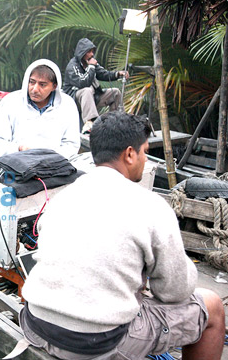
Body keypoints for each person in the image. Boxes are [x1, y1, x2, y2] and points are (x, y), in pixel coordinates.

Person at [15, 112, 225, 360]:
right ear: (129, 154)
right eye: (145, 152)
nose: (145, 160)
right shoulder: (151, 205)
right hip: (96, 344)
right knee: (212, 306)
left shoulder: (61, 199)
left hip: (36, 327)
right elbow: (174, 293)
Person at [0, 59, 80, 159]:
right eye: (32, 82)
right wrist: (19, 149)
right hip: (17, 164)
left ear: (54, 86)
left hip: (54, 167)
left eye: (42, 84)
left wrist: (49, 158)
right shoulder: (9, 103)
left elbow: (71, 145)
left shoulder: (67, 105)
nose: (35, 89)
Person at [63, 38, 129, 134]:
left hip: (93, 98)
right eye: (89, 51)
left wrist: (118, 74)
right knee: (87, 90)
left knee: (115, 92)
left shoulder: (91, 63)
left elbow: (103, 74)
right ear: (82, 52)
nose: (92, 54)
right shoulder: (73, 66)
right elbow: (83, 83)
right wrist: (91, 67)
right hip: (74, 100)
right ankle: (91, 123)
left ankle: (113, 123)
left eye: (92, 51)